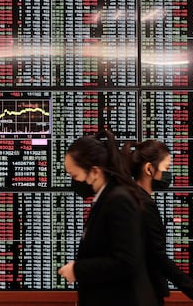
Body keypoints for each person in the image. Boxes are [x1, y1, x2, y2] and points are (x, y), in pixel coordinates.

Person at [58, 129, 157, 306]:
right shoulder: (106, 198)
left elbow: (126, 261)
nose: (75, 182)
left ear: (95, 171)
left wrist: (77, 269)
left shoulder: (118, 200)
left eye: (75, 175)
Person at [121, 139, 193, 305]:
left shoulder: (131, 198)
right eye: (166, 168)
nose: (168, 174)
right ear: (149, 169)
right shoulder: (143, 205)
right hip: (143, 295)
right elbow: (157, 256)